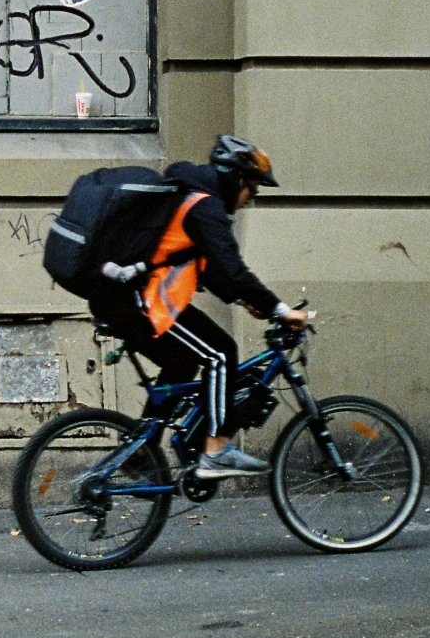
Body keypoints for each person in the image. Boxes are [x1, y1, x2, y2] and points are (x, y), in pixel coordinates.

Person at [85, 135, 311, 479]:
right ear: (236, 179)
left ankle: (141, 453)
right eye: (253, 189)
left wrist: (243, 300)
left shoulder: (191, 197)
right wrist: (281, 310)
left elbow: (212, 270)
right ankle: (215, 451)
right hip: (142, 303)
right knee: (221, 352)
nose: (251, 199)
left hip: (128, 300)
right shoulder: (204, 206)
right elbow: (232, 268)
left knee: (185, 362)